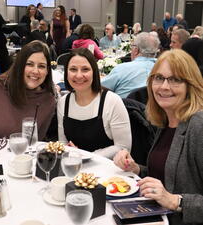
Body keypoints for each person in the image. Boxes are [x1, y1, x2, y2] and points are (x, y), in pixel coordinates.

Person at [114, 49, 203, 225]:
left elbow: (170, 193)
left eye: (175, 80)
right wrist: (136, 169)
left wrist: (176, 201)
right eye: (159, 78)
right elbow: (166, 177)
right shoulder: (166, 121)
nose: (164, 87)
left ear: (190, 86)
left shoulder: (198, 125)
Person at [57, 48, 131, 159]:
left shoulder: (112, 101)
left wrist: (86, 156)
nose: (78, 75)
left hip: (107, 170)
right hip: (74, 168)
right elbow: (62, 143)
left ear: (94, 72)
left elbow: (123, 147)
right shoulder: (63, 103)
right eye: (73, 69)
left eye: (85, 69)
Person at [0, 40, 57, 139]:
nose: (35, 71)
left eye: (41, 66)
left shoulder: (48, 101)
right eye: (29, 64)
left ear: (47, 71)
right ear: (19, 65)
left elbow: (37, 143)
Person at [101, 32, 159, 98]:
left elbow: (99, 86)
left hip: (124, 107)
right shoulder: (163, 69)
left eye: (132, 46)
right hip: (153, 107)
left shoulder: (122, 69)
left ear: (136, 50)